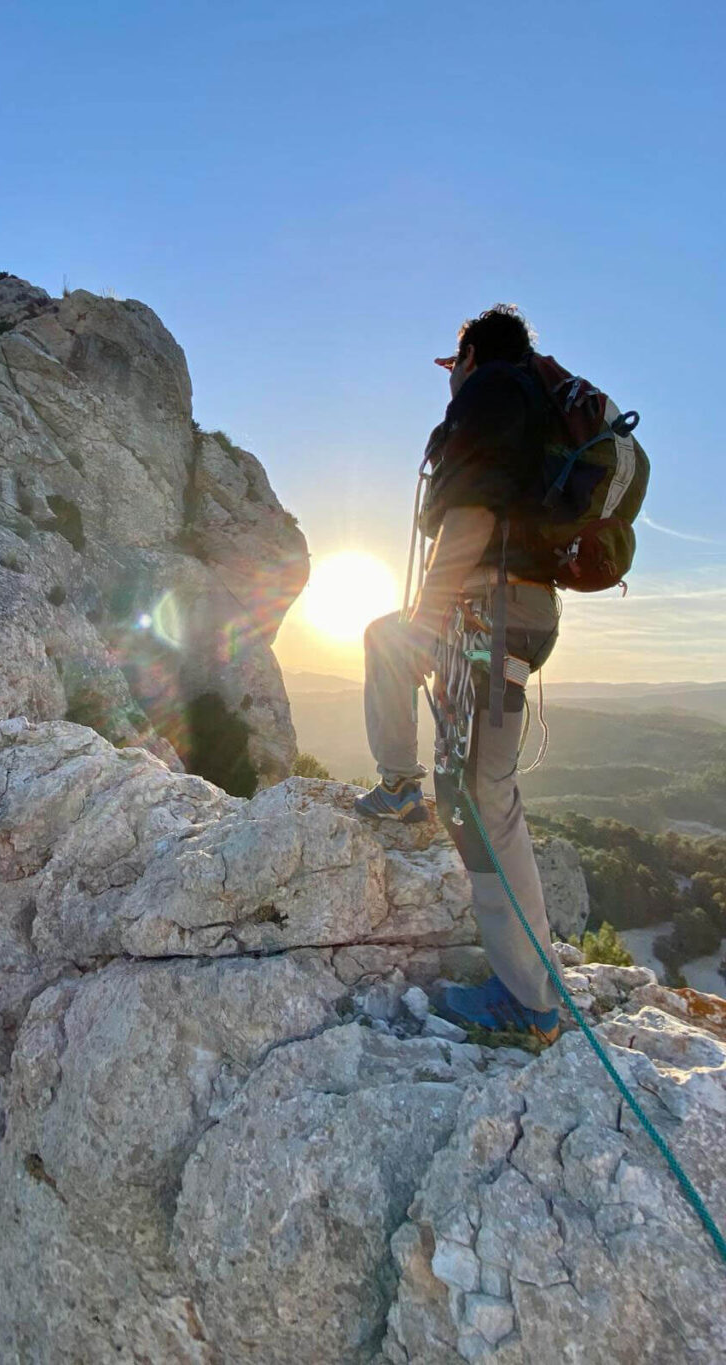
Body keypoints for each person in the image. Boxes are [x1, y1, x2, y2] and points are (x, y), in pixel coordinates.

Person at [355, 304, 565, 1044]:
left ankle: (529, 1001)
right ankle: (400, 784)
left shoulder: (491, 394)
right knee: (386, 643)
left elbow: (470, 513)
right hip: (512, 612)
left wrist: (430, 615)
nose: (451, 383)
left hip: (489, 612)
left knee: (481, 794)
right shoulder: (530, 404)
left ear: (468, 356)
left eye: (453, 367)